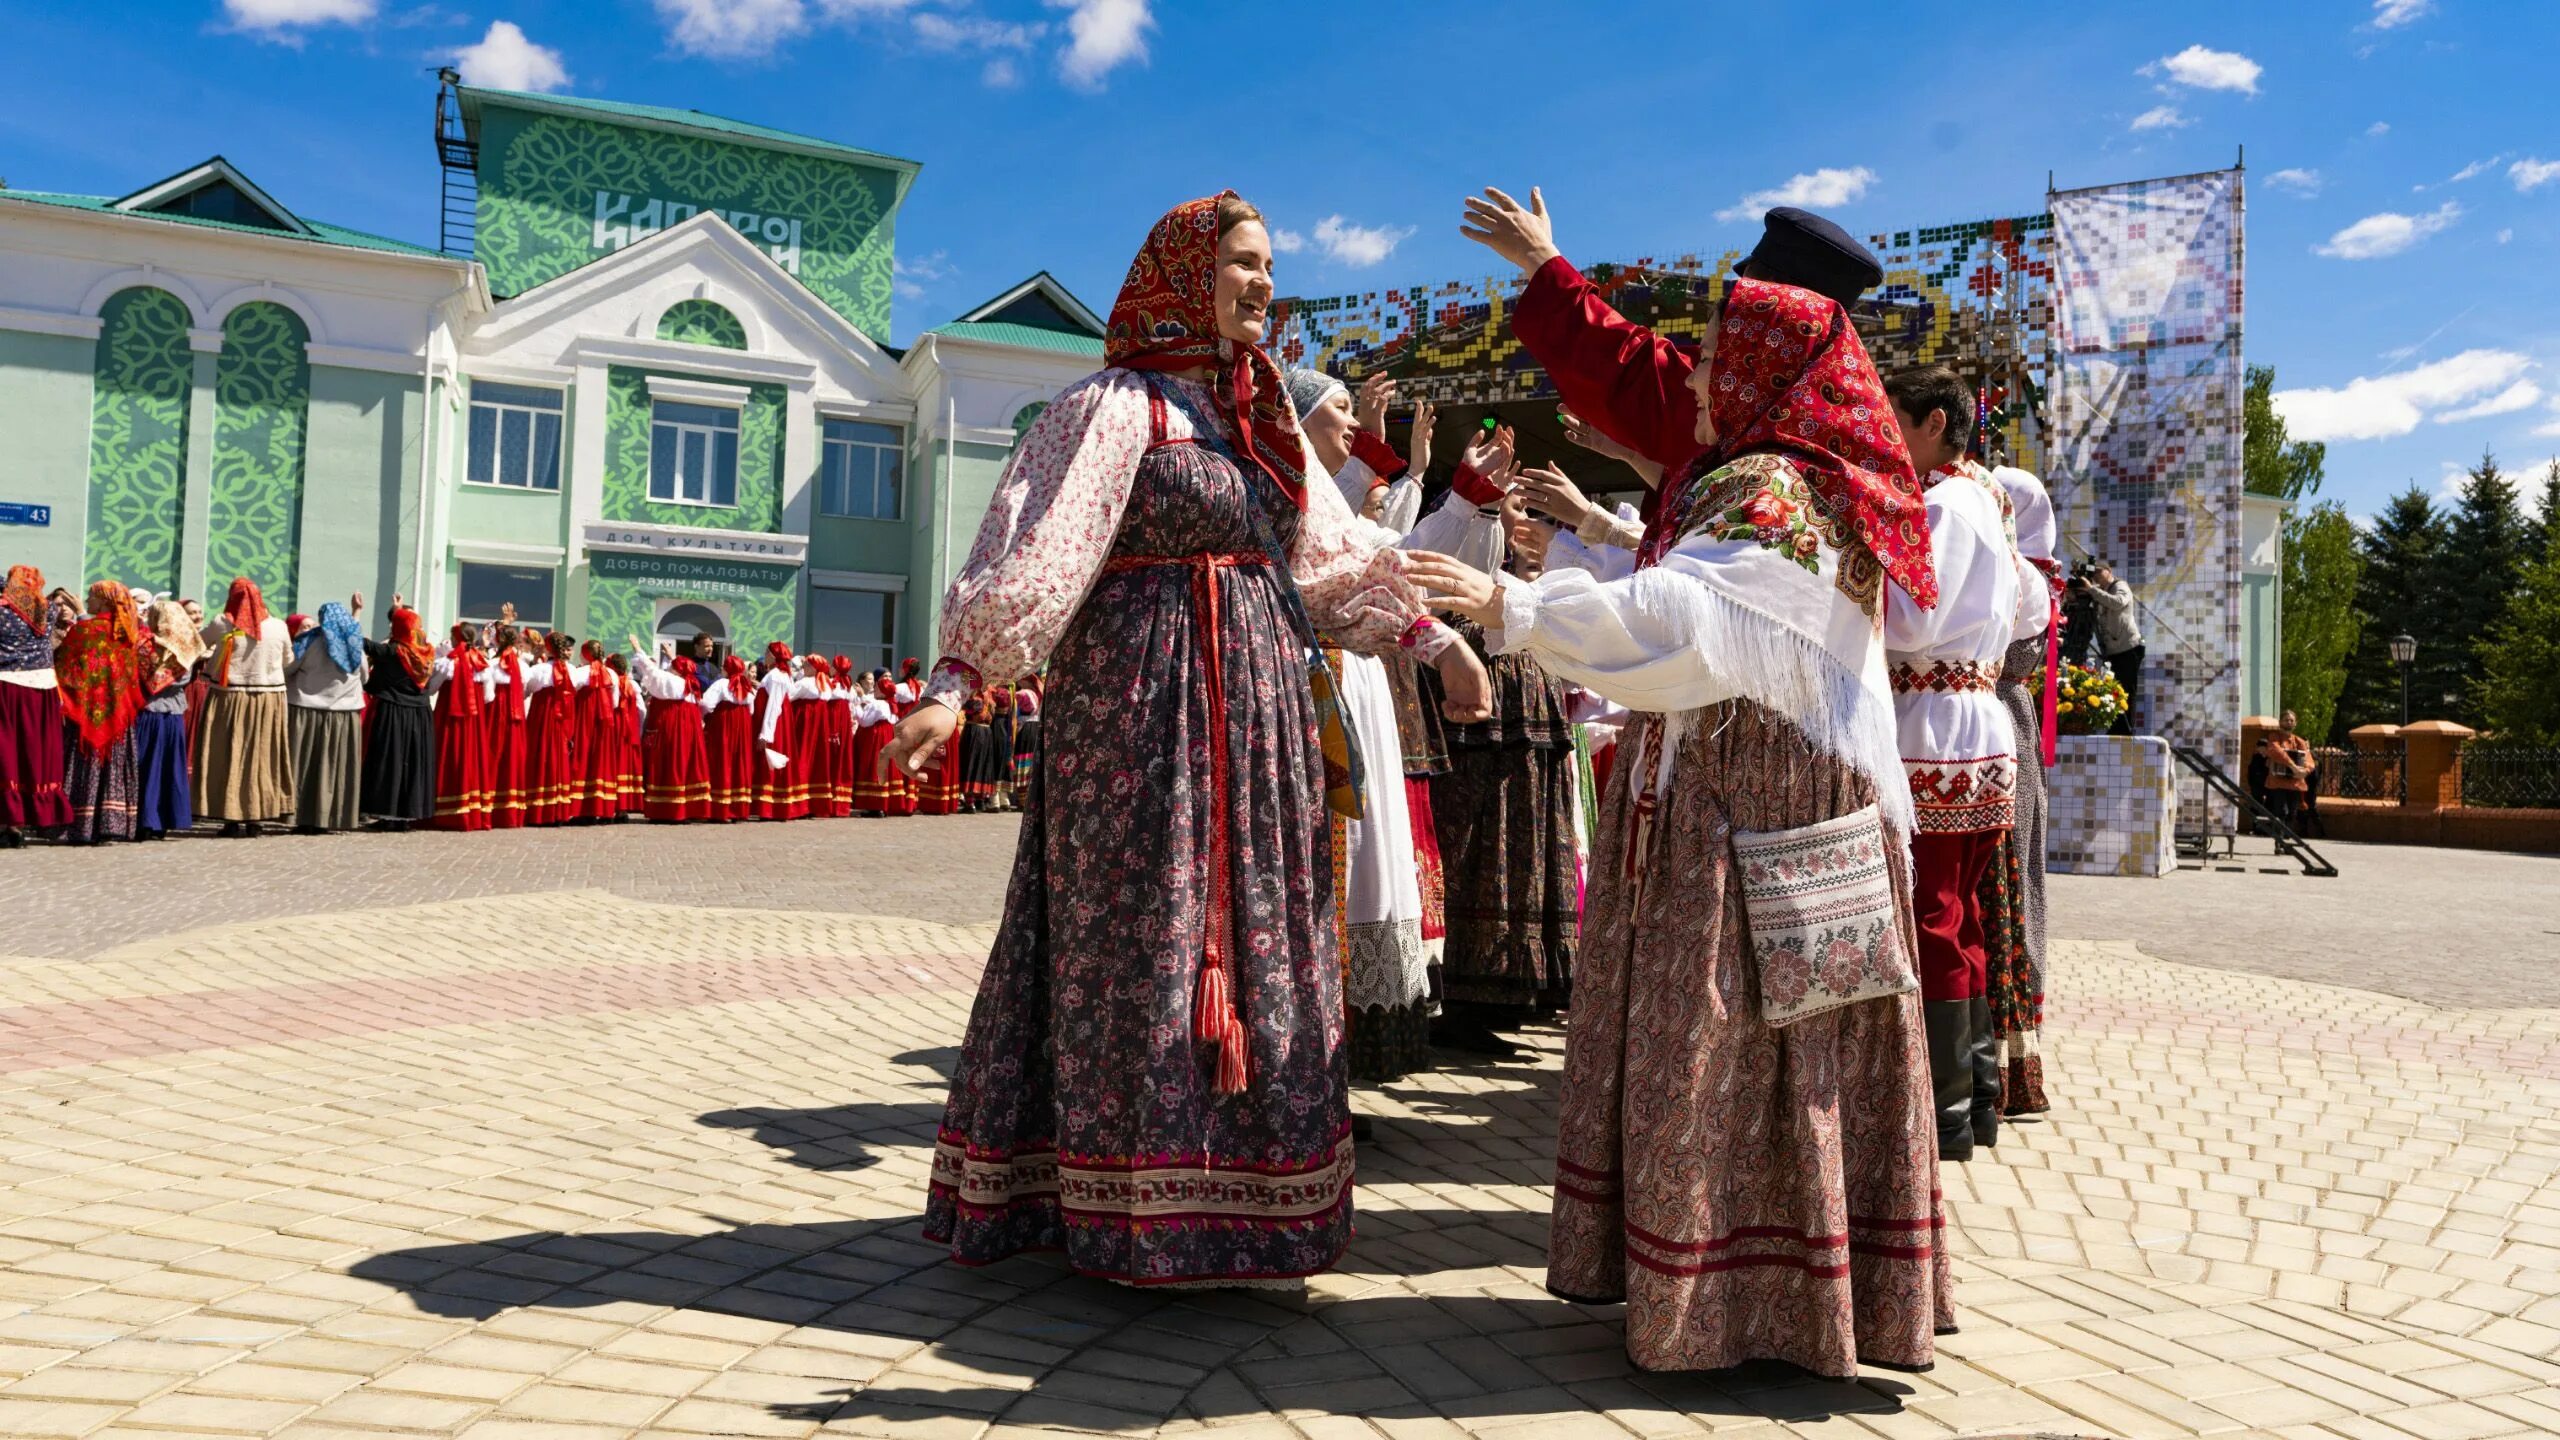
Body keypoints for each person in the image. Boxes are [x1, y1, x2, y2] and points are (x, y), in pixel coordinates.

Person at [886, 192, 1491, 1287]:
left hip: (1259, 721)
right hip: (1138, 719)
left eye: (1269, 267)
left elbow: (1332, 558)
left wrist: (1433, 640)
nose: (1264, 284)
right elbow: (1041, 542)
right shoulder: (1114, 408)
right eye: (1244, 263)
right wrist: (959, 678)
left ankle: (1246, 1210)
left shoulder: (1257, 424)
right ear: (1183, 273)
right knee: (1142, 934)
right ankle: (1119, 1209)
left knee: (1262, 926)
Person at [1428, 183, 1950, 1376]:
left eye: (1717, 358)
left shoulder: (1766, 484)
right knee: (1785, 1045)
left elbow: (1687, 619)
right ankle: (1783, 1290)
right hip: (1771, 796)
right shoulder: (1805, 471)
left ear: (1767, 365)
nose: (1699, 379)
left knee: (1742, 1031)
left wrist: (1512, 604)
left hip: (1747, 807)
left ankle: (1733, 1302)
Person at [1886, 366, 2057, 1123]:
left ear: (1931, 424)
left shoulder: (1949, 504)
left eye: (1895, 418)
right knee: (1963, 914)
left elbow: (1915, 620)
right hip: (1967, 729)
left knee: (1935, 914)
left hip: (1936, 733)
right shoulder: (1987, 498)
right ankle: (1977, 1096)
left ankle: (1945, 1109)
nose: (1884, 431)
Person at [198, 578, 296, 838]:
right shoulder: (279, 626)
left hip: (230, 696)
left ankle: (230, 818)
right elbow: (288, 659)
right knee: (263, 756)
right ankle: (257, 817)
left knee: (228, 754)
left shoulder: (222, 623)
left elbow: (197, 645)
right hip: (269, 698)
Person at [56, 581, 149, 845]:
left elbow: (66, 663)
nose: (88, 599)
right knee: (115, 764)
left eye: (92, 596)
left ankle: (81, 825)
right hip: (118, 713)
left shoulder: (88, 629)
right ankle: (113, 824)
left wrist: (80, 615)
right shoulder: (127, 632)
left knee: (85, 763)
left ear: (105, 602)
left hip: (88, 711)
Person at [0, 565, 71, 846]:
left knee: (7, 752)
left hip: (6, 684)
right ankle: (33, 819)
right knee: (36, 751)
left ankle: (8, 820)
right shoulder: (49, 611)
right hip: (42, 688)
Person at [283, 601, 367, 835]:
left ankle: (300, 816)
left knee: (305, 765)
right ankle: (332, 816)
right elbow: (365, 676)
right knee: (336, 767)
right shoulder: (354, 642)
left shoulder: (308, 641)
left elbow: (289, 668)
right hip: (345, 714)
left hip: (306, 709)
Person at [359, 601, 437, 831]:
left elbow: (365, 645)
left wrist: (354, 616)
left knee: (390, 761)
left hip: (394, 711)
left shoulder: (394, 651)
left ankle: (388, 814)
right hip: (420, 715)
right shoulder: (428, 652)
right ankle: (407, 816)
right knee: (413, 763)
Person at [134, 599, 201, 839]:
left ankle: (145, 819)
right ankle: (160, 820)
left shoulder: (146, 644)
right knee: (165, 767)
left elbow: (140, 676)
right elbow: (183, 680)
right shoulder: (188, 646)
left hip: (149, 711)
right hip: (172, 712)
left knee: (146, 766)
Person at [629, 638, 712, 823]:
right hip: (689, 732)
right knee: (686, 765)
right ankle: (687, 808)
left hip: (671, 728)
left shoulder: (672, 680)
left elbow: (650, 669)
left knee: (669, 764)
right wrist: (672, 657)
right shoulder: (691, 685)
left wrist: (637, 647)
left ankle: (666, 809)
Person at [428, 622, 495, 830]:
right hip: (473, 722)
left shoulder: (447, 663)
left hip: (448, 720)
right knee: (472, 759)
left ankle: (445, 810)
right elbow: (488, 696)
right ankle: (472, 809)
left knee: (448, 758)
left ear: (456, 638)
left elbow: (431, 689)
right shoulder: (482, 662)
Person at [519, 632, 587, 827]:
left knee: (541, 756)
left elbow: (526, 690)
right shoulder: (572, 670)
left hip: (542, 718)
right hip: (562, 719)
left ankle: (540, 809)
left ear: (548, 648)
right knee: (559, 758)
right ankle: (558, 808)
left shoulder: (539, 670)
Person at [2077, 560, 2142, 735]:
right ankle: (2116, 727)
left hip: (2128, 648)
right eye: (2094, 573)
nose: (2096, 576)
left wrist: (2091, 589)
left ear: (2109, 570)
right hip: (2113, 651)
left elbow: (2118, 602)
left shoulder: (2120, 585)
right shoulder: (2100, 592)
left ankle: (2126, 730)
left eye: (2099, 572)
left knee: (2127, 690)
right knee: (2115, 690)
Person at [699, 655, 758, 822]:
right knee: (739, 762)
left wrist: (702, 718)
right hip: (743, 726)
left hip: (723, 725)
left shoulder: (721, 684)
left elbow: (706, 704)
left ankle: (721, 809)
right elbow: (751, 710)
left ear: (726, 668)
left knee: (722, 761)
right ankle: (738, 808)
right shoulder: (747, 686)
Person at [2260, 708, 2317, 832]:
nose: (2289, 722)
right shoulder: (2274, 737)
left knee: (2292, 813)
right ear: (2280, 722)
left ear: (2295, 723)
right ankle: (2279, 841)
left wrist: (2305, 771)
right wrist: (2293, 766)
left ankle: (2286, 841)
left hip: (2295, 783)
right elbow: (2276, 751)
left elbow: (2309, 759)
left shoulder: (2299, 741)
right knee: (2281, 812)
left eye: (2291, 720)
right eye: (2286, 720)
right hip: (2278, 782)